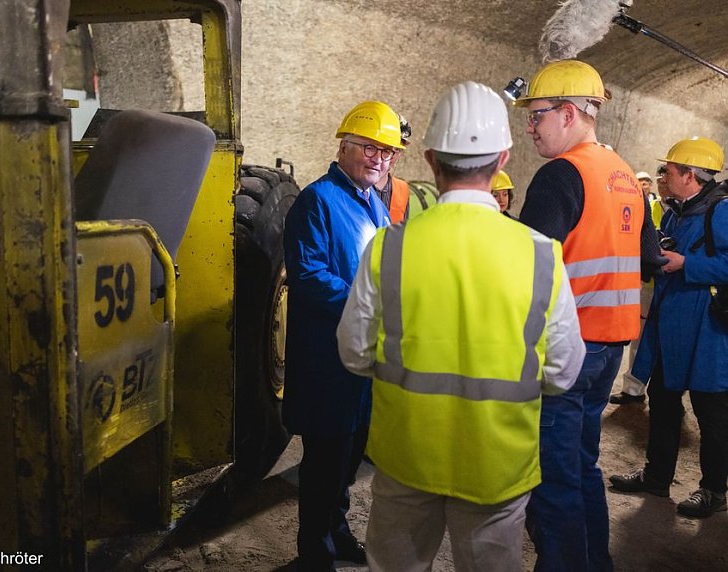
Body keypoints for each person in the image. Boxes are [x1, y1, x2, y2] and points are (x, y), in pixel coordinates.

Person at [337, 81, 586, 572]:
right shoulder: (540, 254)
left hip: (406, 455)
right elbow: (563, 371)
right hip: (497, 465)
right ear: (503, 159)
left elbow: (353, 353)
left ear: (430, 159)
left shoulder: (389, 248)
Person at [510, 59, 663, 571]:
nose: (531, 128)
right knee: (581, 465)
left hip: (566, 349)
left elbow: (524, 267)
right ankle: (597, 562)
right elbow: (649, 259)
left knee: (552, 481)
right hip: (610, 348)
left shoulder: (561, 175)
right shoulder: (624, 174)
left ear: (570, 113)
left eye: (538, 116)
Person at [282, 100, 402, 571]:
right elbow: (309, 276)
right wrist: (369, 305)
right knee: (324, 462)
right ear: (344, 146)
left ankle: (335, 529)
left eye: (389, 153)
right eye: (370, 148)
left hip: (364, 359)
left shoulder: (374, 202)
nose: (379, 159)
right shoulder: (318, 200)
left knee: (349, 458)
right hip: (328, 361)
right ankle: (314, 552)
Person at [609, 137, 728, 518]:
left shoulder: (720, 212)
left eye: (670, 170)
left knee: (710, 414)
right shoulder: (677, 210)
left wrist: (686, 265)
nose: (664, 176)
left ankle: (713, 490)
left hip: (707, 330)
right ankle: (657, 477)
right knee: (663, 402)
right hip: (671, 325)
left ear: (690, 175)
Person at [611, 169, 667, 405]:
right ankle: (633, 389)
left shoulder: (685, 210)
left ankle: (668, 393)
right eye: (662, 180)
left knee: (667, 343)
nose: (663, 183)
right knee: (640, 338)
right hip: (648, 283)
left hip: (672, 285)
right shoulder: (648, 207)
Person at [373, 114, 412, 223]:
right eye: (387, 148)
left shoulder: (402, 189)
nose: (391, 155)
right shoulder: (355, 187)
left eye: (397, 149)